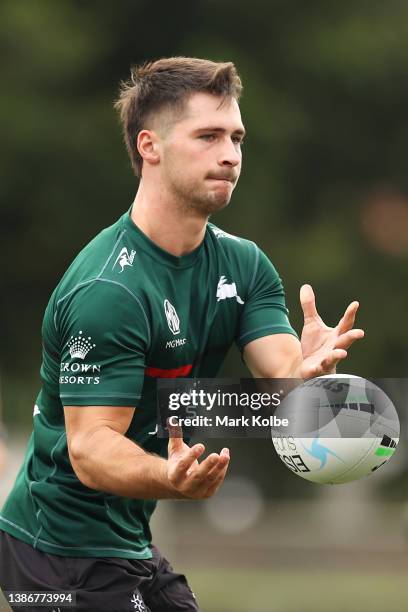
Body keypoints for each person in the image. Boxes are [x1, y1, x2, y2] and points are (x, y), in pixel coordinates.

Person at [0, 57, 364, 611]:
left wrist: (306, 369)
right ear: (150, 146)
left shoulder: (244, 265)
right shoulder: (110, 292)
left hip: (127, 542)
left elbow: (278, 366)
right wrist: (171, 480)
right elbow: (90, 450)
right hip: (52, 551)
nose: (231, 154)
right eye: (209, 136)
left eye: (237, 137)